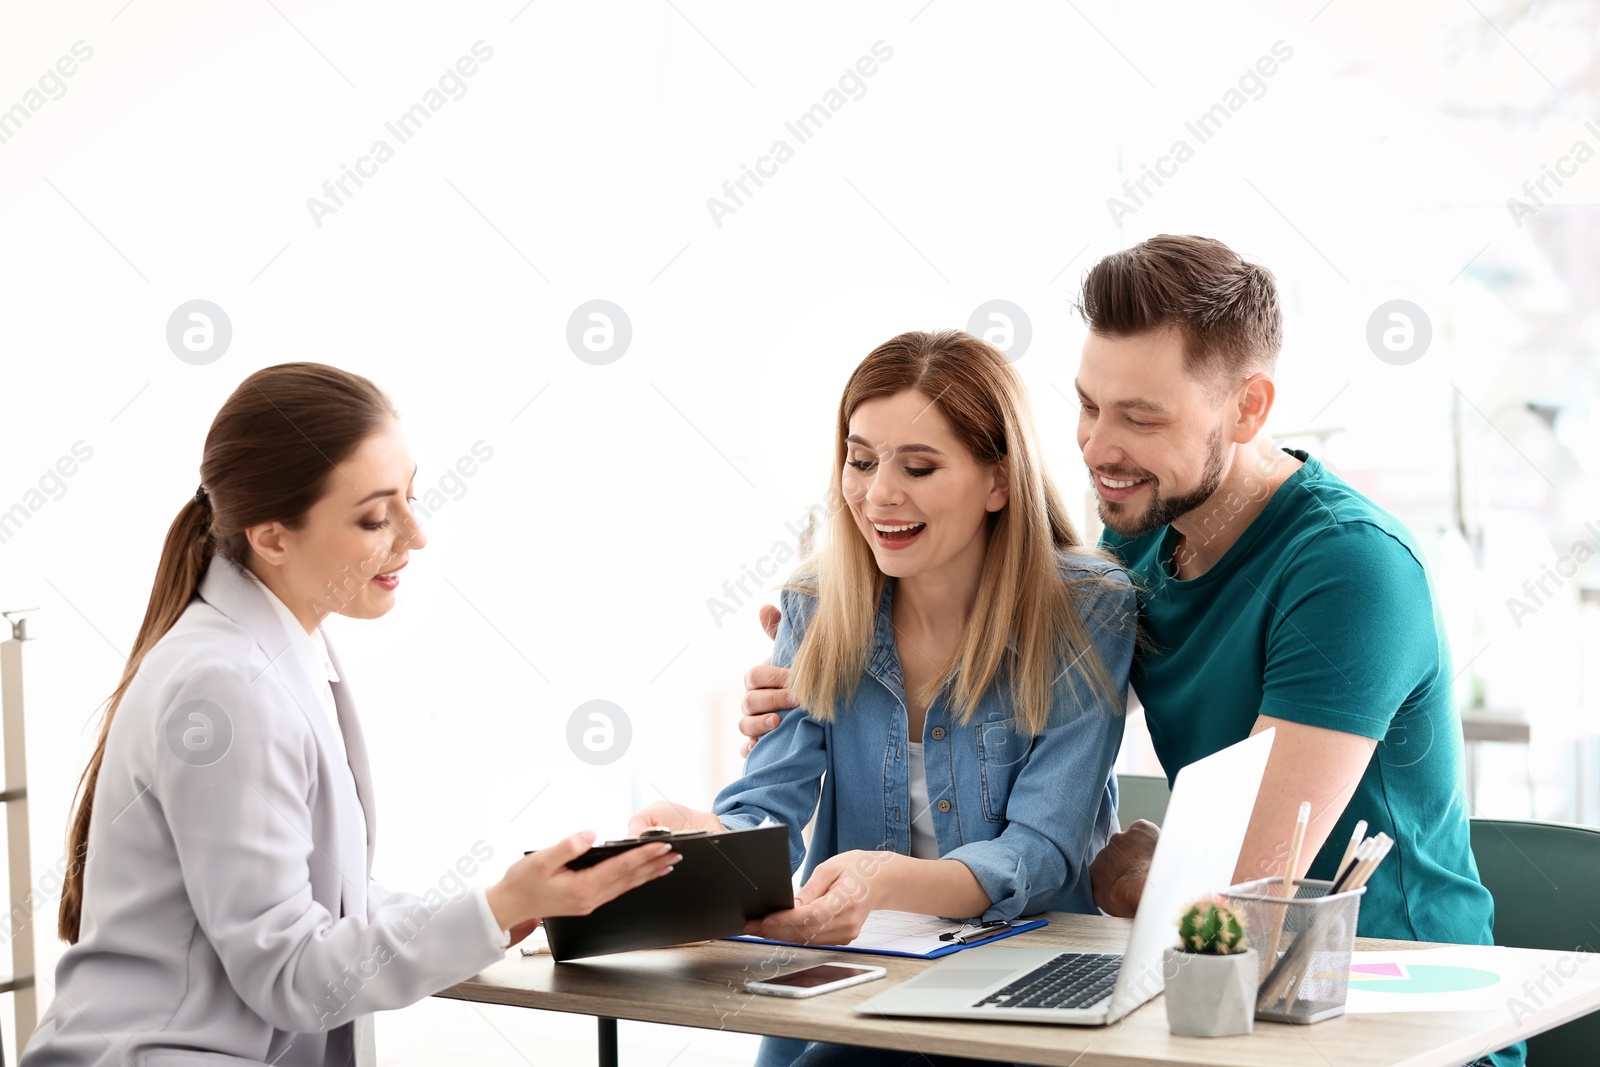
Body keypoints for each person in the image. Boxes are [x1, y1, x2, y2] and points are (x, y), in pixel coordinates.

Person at [740, 239, 1521, 1067]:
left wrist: (1138, 872)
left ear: (1250, 408)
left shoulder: (1350, 569)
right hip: (1214, 994)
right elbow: (1030, 704)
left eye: (1142, 418)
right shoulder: (1140, 540)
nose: (1098, 447)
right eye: (1088, 406)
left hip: (1379, 1009)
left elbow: (1242, 901)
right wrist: (833, 664)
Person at [21, 363, 679, 1067]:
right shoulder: (227, 685)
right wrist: (490, 913)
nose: (415, 535)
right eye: (374, 517)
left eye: (411, 499)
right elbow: (288, 972)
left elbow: (327, 903)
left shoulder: (276, 648)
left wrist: (509, 906)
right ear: (271, 537)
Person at [631, 331, 1135, 1067]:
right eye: (861, 460)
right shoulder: (816, 604)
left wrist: (885, 878)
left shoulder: (1087, 608)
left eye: (919, 466)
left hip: (1028, 970)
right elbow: (770, 804)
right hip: (857, 962)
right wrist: (711, 841)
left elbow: (1044, 852)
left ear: (999, 481)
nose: (878, 494)